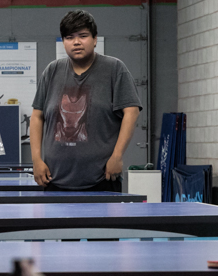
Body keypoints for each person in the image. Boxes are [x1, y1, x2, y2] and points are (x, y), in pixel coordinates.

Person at [30, 10, 141, 192]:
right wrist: (36, 160)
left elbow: (131, 111)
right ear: (63, 41)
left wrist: (117, 156)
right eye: (69, 37)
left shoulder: (114, 69)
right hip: (54, 179)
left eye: (83, 36)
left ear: (95, 39)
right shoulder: (52, 71)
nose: (76, 42)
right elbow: (37, 117)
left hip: (102, 179)